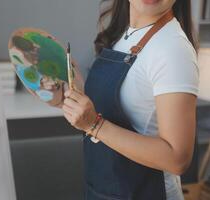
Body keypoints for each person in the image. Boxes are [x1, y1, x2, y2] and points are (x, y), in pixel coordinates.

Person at [41, 0, 199, 199]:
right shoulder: (124, 34)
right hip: (103, 191)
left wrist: (94, 125)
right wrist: (68, 94)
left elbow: (177, 159)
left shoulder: (173, 50)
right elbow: (124, 106)